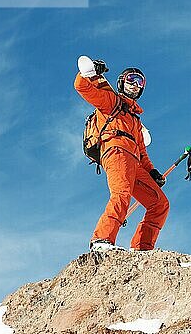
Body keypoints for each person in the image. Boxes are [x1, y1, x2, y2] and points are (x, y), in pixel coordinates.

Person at [74, 59, 169, 251]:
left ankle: (143, 248)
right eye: (131, 80)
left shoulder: (135, 120)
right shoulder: (112, 102)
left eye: (140, 82)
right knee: (121, 194)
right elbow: (82, 87)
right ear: (121, 82)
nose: (135, 85)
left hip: (134, 163)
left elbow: (142, 152)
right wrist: (90, 72)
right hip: (116, 152)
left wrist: (152, 172)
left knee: (160, 203)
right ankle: (102, 239)